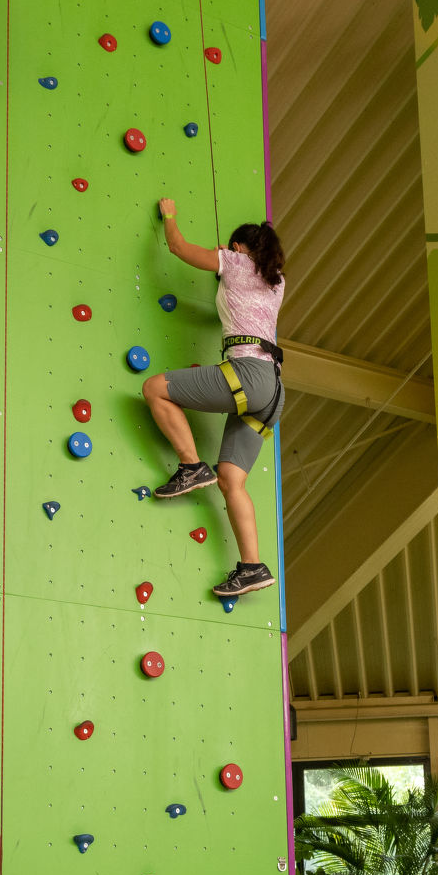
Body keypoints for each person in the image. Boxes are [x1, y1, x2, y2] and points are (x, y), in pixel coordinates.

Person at [142, 198, 286, 599]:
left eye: (228, 247)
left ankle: (190, 466)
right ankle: (252, 567)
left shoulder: (236, 264)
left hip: (248, 375)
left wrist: (170, 215)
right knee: (232, 481)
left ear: (239, 248)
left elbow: (179, 248)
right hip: (273, 393)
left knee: (154, 388)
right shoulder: (276, 281)